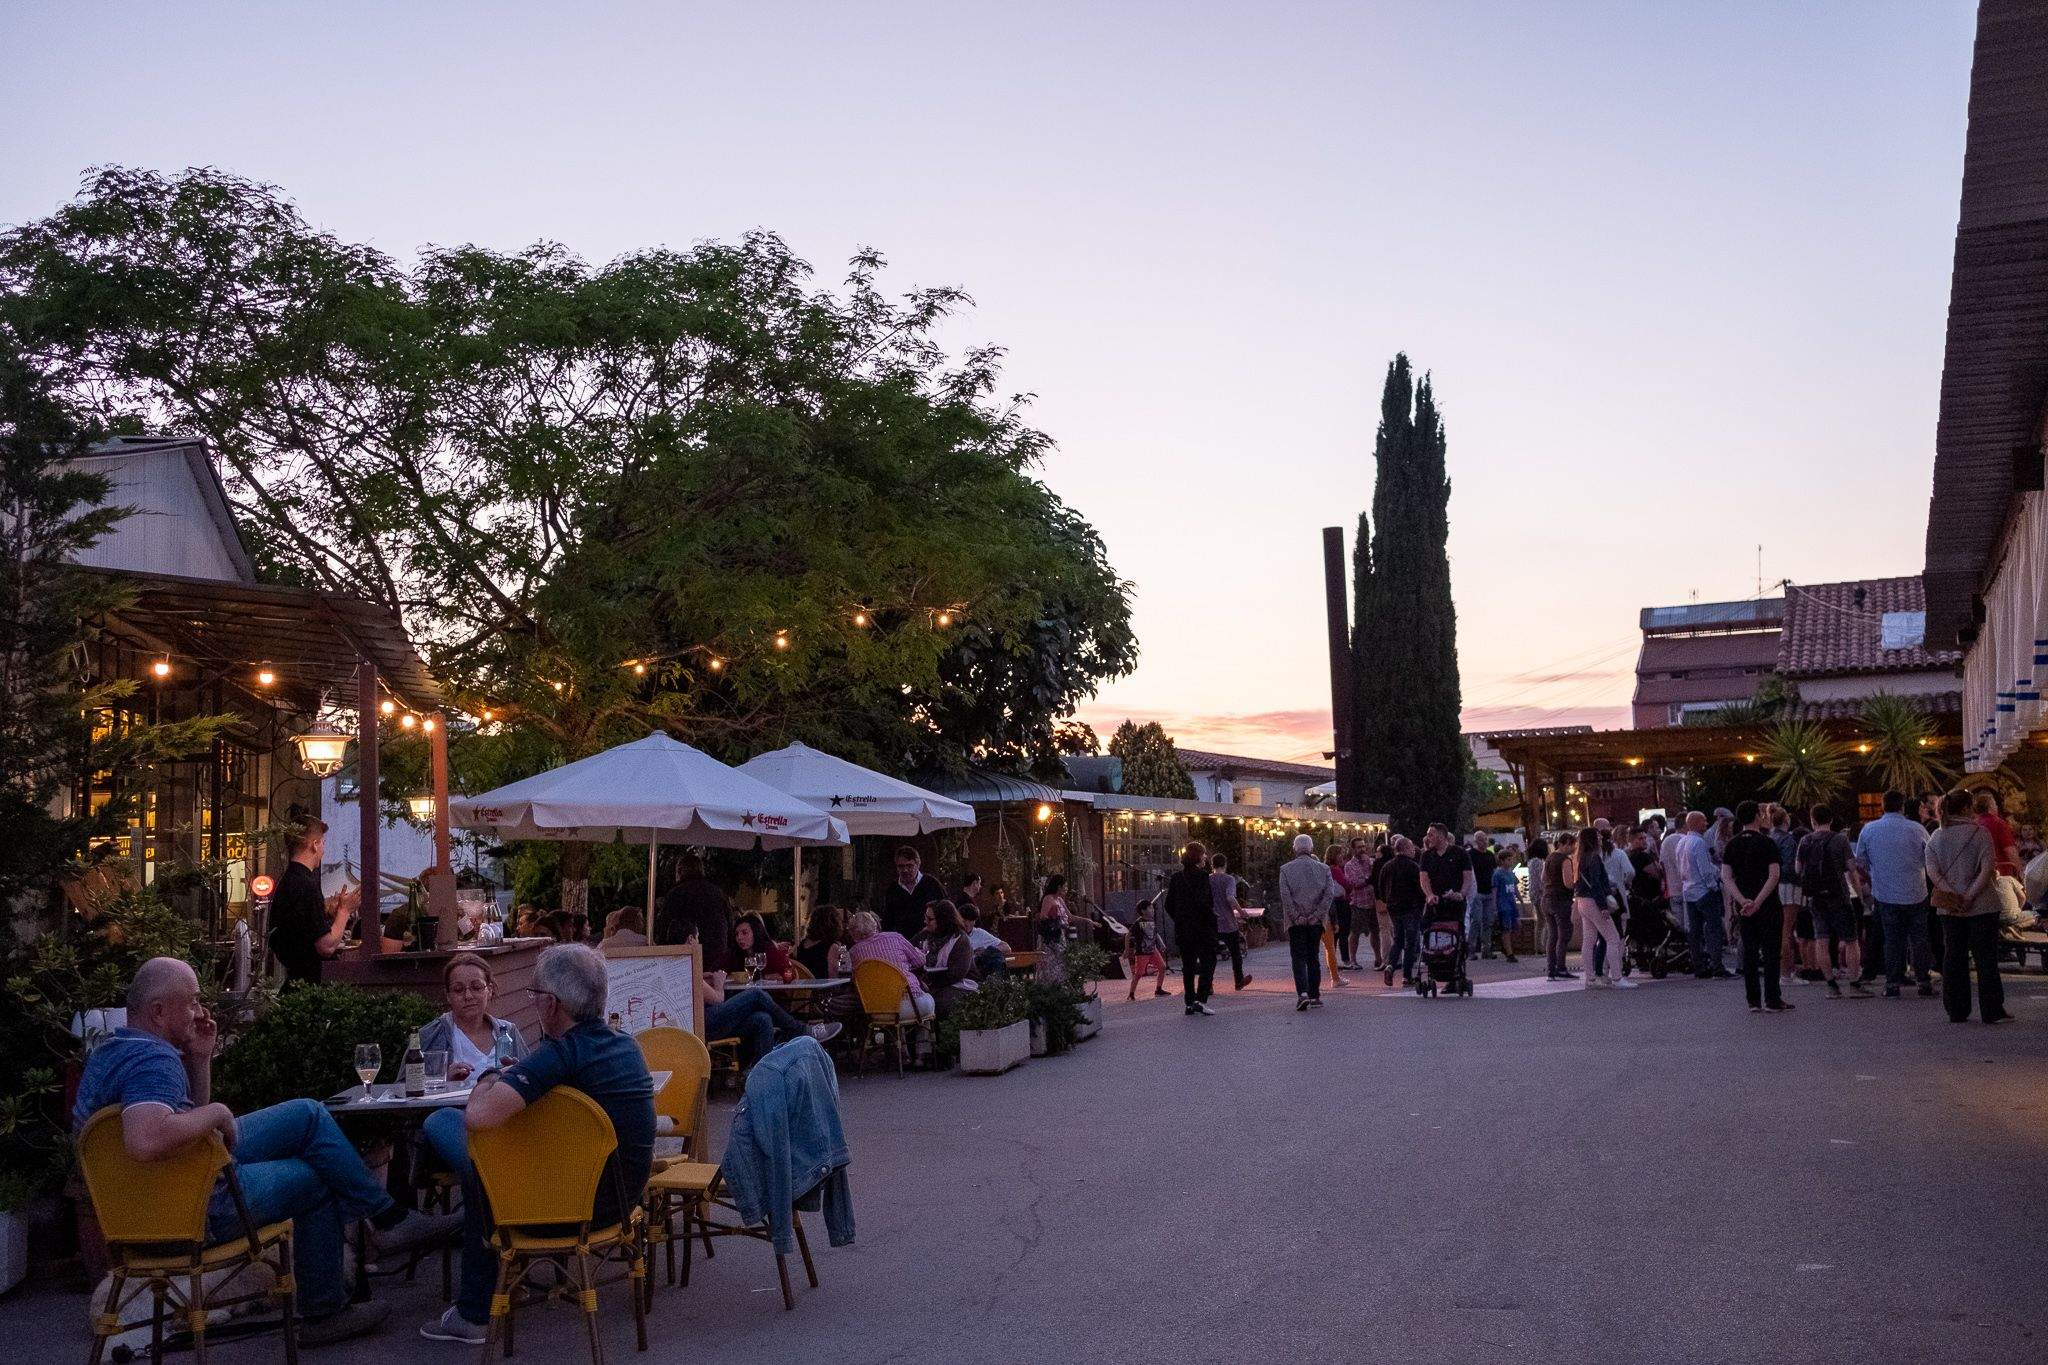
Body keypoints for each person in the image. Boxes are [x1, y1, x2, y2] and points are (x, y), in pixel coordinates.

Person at [74, 958, 434, 1346]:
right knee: (315, 1178)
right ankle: (327, 1309)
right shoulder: (153, 1059)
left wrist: (199, 1059)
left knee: (307, 1115)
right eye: (192, 1002)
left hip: (152, 1203)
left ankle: (386, 1218)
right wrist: (217, 1112)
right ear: (158, 1011)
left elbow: (181, 1127)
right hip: (198, 1207)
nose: (199, 1011)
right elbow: (145, 1140)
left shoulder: (111, 1053)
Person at [420, 944, 657, 1344]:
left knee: (451, 1128)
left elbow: (480, 1117)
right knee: (483, 1168)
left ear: (551, 1004)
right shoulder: (625, 1045)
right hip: (619, 1203)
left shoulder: (561, 1053)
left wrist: (485, 1082)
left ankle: (475, 1311)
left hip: (563, 1207)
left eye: (533, 997)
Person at [1927, 788, 2008, 1024]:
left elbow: (1933, 871)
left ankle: (1957, 1009)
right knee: (1986, 958)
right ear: (1965, 808)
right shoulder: (1980, 834)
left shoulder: (1936, 837)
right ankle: (1992, 1009)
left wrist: (1953, 893)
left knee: (1953, 956)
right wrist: (1970, 895)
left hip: (1950, 907)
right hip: (1982, 905)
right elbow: (1987, 868)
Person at [1854, 790, 1933, 998]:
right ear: (1902, 806)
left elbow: (1859, 861)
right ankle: (1924, 980)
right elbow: (1929, 858)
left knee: (1892, 940)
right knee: (1919, 939)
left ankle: (1892, 983)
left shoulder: (1869, 829)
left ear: (1883, 805)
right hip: (1916, 891)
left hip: (1885, 893)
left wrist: (1874, 875)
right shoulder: (1917, 829)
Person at [268, 816, 356, 985]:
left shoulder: (287, 881)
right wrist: (344, 911)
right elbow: (326, 946)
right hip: (309, 986)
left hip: (293, 979)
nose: (324, 850)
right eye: (323, 843)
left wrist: (328, 914)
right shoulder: (306, 884)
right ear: (314, 845)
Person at [1720, 800, 1790, 1013]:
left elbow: (1726, 876)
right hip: (1767, 904)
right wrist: (1759, 901)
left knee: (1749, 952)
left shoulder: (1732, 844)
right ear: (1758, 817)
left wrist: (1743, 900)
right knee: (1771, 951)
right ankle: (1772, 998)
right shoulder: (1767, 843)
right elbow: (1774, 875)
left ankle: (1753, 1000)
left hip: (1744, 906)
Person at [420, 955, 530, 1082]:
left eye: (476, 987)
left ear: (489, 990)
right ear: (448, 996)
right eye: (458, 990)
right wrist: (445, 1081)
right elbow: (404, 1090)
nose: (468, 996)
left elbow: (531, 1080)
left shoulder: (508, 1031)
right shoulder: (431, 1035)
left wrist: (516, 1075)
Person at [1797, 805, 1868, 998]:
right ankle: (1854, 983)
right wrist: (1859, 896)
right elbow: (1851, 869)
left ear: (1813, 820)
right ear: (1830, 819)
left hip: (1816, 897)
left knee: (1822, 940)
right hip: (1840, 895)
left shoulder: (1805, 841)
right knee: (1851, 940)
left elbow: (1798, 869)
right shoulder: (1840, 839)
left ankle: (1831, 985)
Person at [1570, 825, 1630, 989]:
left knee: (1589, 940)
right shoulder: (1594, 858)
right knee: (1613, 938)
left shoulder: (1580, 858)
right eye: (1598, 836)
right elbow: (1596, 883)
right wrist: (1603, 906)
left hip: (1582, 900)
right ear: (1592, 839)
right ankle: (1617, 978)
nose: (1601, 838)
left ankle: (1590, 978)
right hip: (1595, 901)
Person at [846, 909, 936, 1019]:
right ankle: (923, 1035)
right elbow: (920, 961)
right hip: (913, 1004)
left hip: (879, 1011)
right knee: (928, 998)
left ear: (852, 933)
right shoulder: (895, 937)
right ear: (875, 925)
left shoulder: (854, 952)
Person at [1280, 834, 1335, 1010]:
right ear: (1311, 849)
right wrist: (1317, 915)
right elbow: (1328, 895)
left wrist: (1296, 916)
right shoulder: (1324, 869)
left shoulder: (1286, 869)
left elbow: (1285, 896)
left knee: (1298, 957)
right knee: (1313, 957)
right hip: (1316, 922)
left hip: (1296, 922)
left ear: (1294, 848)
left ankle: (1302, 993)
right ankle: (1314, 995)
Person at [1164, 842, 1219, 1016]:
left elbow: (1168, 904)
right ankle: (1200, 999)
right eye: (1203, 855)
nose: (1205, 858)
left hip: (1184, 930)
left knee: (1188, 966)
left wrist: (1180, 919)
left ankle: (1188, 1002)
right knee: (1209, 961)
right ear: (1198, 857)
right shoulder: (1203, 877)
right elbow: (1205, 903)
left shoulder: (1176, 878)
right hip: (1202, 929)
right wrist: (1211, 919)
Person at [1676, 811, 1729, 979]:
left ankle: (1698, 966)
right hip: (1704, 891)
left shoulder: (1682, 842)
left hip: (1688, 891)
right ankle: (1717, 966)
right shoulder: (1698, 842)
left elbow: (1680, 867)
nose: (1707, 824)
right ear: (1697, 823)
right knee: (1713, 930)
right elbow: (1705, 869)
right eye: (1704, 820)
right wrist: (1714, 886)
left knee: (1695, 931)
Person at [656, 852, 730, 968]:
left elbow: (663, 928)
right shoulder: (717, 893)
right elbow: (729, 922)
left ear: (679, 871)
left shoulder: (676, 894)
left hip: (684, 956)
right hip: (717, 955)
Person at [1377, 836, 1426, 987]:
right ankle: (1406, 976)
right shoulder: (1413, 867)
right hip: (1411, 908)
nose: (1413, 850)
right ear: (1404, 848)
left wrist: (1387, 901)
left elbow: (1381, 888)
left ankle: (1391, 966)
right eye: (1411, 847)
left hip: (1393, 908)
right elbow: (1420, 888)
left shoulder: (1387, 866)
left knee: (1398, 939)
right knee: (1410, 942)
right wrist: (1422, 903)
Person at [880, 846, 945, 939]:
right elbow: (887, 920)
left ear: (918, 864)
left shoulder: (932, 884)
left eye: (909, 866)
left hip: (930, 940)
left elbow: (946, 911)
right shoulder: (893, 889)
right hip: (902, 943)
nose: (905, 870)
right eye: (901, 866)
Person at [1211, 853, 1251, 990]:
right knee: (1235, 952)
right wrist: (1241, 911)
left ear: (1212, 865)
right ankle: (1238, 980)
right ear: (1225, 865)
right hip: (1228, 922)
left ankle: (1208, 984)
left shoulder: (1207, 879)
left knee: (1210, 955)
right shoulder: (1229, 879)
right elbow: (1230, 897)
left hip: (1212, 922)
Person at [1541, 834, 1578, 981]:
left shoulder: (1549, 857)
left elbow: (1543, 878)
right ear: (1564, 844)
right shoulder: (1565, 860)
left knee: (1552, 935)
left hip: (1547, 898)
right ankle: (1561, 967)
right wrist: (1577, 881)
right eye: (1572, 845)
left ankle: (1551, 969)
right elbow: (1568, 883)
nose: (1574, 848)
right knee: (1564, 935)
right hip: (1561, 900)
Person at [1343, 836, 1380, 969]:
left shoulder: (1371, 862)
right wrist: (1368, 880)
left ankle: (1378, 958)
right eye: (1359, 847)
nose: (1362, 849)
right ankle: (1353, 960)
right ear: (1353, 849)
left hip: (1373, 902)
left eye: (1363, 846)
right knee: (1355, 932)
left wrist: (1370, 867)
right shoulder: (1349, 865)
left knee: (1375, 931)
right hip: (1359, 903)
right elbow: (1355, 883)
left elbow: (1377, 877)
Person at [1124, 900, 1171, 1000]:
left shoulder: (1152, 921)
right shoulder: (1138, 923)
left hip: (1153, 950)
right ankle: (1131, 994)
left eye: (1152, 908)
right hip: (1142, 952)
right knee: (1139, 973)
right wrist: (1127, 950)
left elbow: (1155, 933)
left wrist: (1161, 943)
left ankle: (1158, 989)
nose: (1153, 910)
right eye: (1150, 908)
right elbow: (1127, 935)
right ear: (1143, 911)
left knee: (1162, 967)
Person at [1323, 845, 1357, 973]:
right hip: (1340, 903)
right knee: (1342, 932)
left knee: (1335, 934)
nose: (1342, 856)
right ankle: (1345, 960)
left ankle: (1332, 960)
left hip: (1334, 903)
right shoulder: (1335, 870)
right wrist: (1350, 884)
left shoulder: (1328, 869)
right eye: (1340, 853)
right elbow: (1346, 884)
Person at [795, 904, 851, 980]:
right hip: (823, 988)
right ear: (834, 923)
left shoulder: (802, 944)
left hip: (803, 988)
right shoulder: (832, 947)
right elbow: (833, 975)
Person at [1975, 788, 2022, 879]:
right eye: (1995, 804)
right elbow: (2009, 850)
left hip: (1980, 875)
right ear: (1990, 806)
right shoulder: (1998, 823)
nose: (1997, 806)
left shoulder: (1974, 824)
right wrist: (2019, 871)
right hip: (2002, 873)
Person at [1467, 834, 1500, 961]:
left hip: (1488, 891)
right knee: (1476, 920)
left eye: (1485, 839)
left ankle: (1486, 949)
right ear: (1476, 841)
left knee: (1488, 921)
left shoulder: (1490, 855)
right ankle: (1471, 950)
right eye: (1481, 840)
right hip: (1477, 891)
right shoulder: (1471, 854)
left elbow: (1493, 871)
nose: (1484, 842)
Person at [726, 913, 791, 977]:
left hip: (769, 987)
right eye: (736, 934)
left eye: (744, 933)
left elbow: (790, 973)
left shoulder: (769, 951)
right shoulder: (735, 954)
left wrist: (771, 976)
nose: (739, 937)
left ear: (756, 933)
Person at [957, 902, 1008, 978]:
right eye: (964, 921)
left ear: (974, 921)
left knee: (995, 956)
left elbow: (1006, 947)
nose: (967, 924)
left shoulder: (979, 933)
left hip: (979, 970)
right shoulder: (954, 935)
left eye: (971, 921)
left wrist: (985, 951)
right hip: (963, 970)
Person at [1492, 845, 1523, 963]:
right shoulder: (1497, 874)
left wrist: (1520, 899)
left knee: (1517, 927)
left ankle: (1506, 946)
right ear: (1502, 861)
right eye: (1508, 860)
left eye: (1512, 859)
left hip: (1512, 904)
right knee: (1506, 929)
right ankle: (1509, 953)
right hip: (1503, 905)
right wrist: (1495, 907)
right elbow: (1495, 891)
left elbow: (1515, 887)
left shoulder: (1511, 873)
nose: (1511, 862)